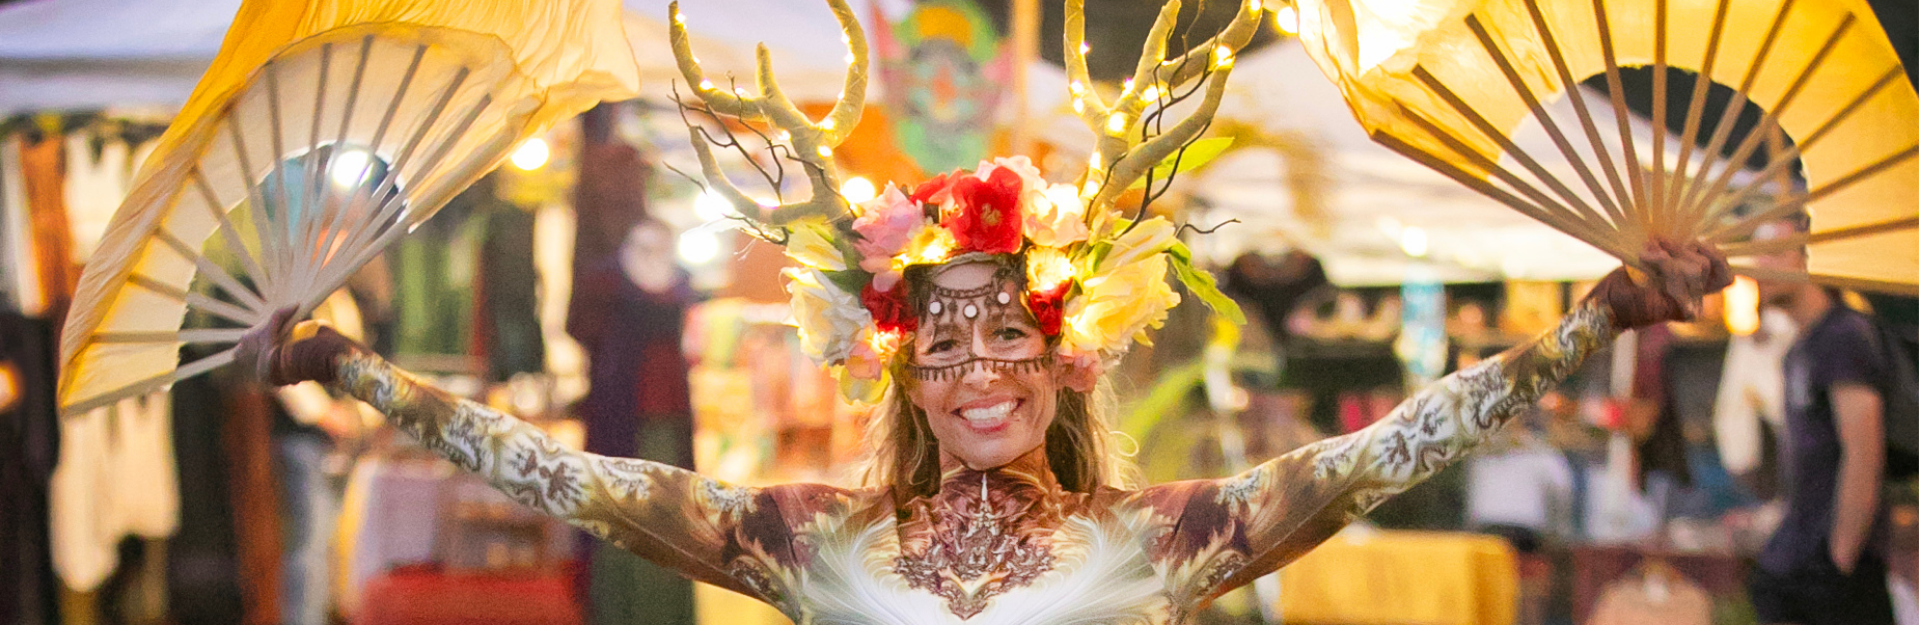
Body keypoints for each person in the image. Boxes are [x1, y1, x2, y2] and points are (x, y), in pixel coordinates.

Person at [1747, 219, 1896, 625]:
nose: (1762, 266)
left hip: (1837, 576)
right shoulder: (1801, 347)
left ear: (1810, 259)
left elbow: (1864, 450)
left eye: (1776, 252)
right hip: (1802, 561)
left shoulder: (1844, 334)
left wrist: (1840, 559)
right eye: (1757, 255)